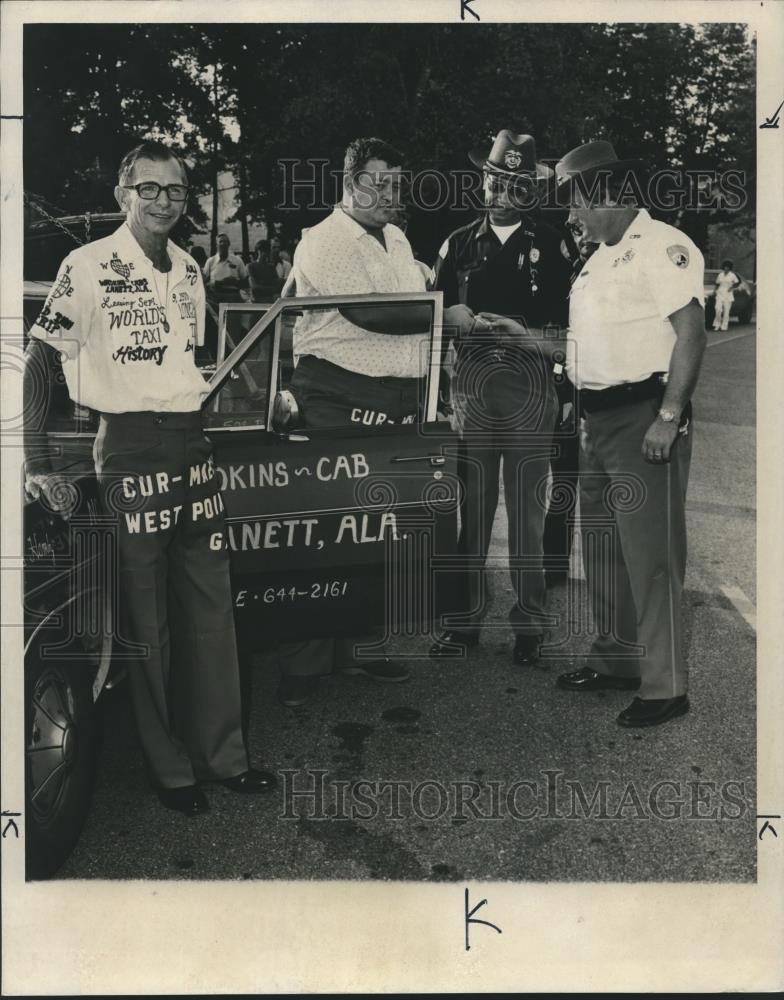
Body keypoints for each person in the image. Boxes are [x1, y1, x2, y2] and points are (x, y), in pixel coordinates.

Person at [23, 140, 276, 813]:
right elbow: (38, 365)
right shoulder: (87, 265)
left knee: (212, 611)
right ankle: (171, 771)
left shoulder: (191, 268)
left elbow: (197, 363)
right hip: (130, 450)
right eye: (149, 189)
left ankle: (225, 758)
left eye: (176, 190)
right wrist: (37, 464)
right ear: (122, 195)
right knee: (148, 624)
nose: (164, 201)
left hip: (192, 450)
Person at [276, 136, 474, 707]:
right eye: (379, 182)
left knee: (380, 527)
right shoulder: (323, 238)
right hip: (335, 401)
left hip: (397, 403)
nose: (392, 193)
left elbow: (408, 313)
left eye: (397, 182)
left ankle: (363, 647)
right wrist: (444, 311)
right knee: (324, 530)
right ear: (350, 182)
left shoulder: (397, 237)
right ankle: (304, 661)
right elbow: (373, 313)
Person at [551, 139, 706, 727]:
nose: (571, 216)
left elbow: (691, 332)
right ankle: (617, 659)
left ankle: (665, 687)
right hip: (595, 421)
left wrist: (669, 417)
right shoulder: (594, 260)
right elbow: (584, 349)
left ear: (608, 194)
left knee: (653, 556)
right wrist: (520, 337)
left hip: (644, 417)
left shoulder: (661, 245)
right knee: (604, 551)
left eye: (576, 202)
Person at [428, 130, 575, 667]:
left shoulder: (557, 245)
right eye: (494, 178)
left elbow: (570, 331)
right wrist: (448, 317)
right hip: (472, 390)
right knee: (473, 512)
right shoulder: (457, 244)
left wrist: (563, 390)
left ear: (529, 188)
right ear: (482, 179)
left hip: (531, 390)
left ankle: (530, 627)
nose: (501, 190)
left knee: (528, 520)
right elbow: (428, 317)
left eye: (514, 182)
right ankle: (465, 623)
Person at [204, 233, 249, 303]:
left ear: (229, 244)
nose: (223, 244)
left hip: (233, 296)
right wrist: (219, 283)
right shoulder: (211, 261)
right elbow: (204, 282)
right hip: (215, 297)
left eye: (225, 242)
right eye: (220, 242)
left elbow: (246, 282)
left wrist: (235, 281)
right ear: (216, 245)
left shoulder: (237, 260)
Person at [713, 259, 740, 331]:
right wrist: (714, 291)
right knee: (717, 309)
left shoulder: (732, 275)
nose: (726, 268)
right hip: (720, 292)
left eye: (728, 267)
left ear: (730, 268)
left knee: (726, 311)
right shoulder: (720, 274)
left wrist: (732, 288)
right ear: (723, 267)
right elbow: (717, 283)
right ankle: (717, 324)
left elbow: (737, 283)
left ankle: (724, 326)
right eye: (725, 267)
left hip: (728, 294)